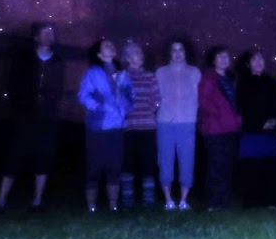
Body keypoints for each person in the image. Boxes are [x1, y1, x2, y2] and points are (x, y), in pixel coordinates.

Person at [0, 22, 64, 213]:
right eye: (45, 33)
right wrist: (18, 106)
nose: (50, 36)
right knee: (15, 156)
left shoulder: (57, 60)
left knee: (44, 157)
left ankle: (37, 202)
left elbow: (59, 87)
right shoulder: (23, 59)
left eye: (52, 32)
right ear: (36, 37)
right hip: (25, 115)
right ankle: (1, 201)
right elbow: (13, 84)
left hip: (48, 117)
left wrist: (53, 106)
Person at [77, 38, 134, 212]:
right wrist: (99, 107)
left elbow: (131, 94)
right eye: (106, 45)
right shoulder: (93, 73)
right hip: (98, 127)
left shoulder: (122, 73)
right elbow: (83, 95)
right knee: (94, 167)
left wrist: (125, 109)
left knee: (115, 167)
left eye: (112, 44)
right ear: (99, 54)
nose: (111, 46)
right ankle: (92, 207)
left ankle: (113, 206)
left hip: (117, 127)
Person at [236, 49, 276, 208]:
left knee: (270, 167)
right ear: (248, 64)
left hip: (270, 132)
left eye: (260, 59)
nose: (258, 62)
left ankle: (272, 201)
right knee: (251, 168)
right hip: (250, 133)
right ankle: (252, 202)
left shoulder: (272, 82)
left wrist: (275, 121)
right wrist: (258, 124)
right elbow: (241, 108)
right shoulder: (242, 83)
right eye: (254, 59)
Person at [155, 38, 201, 210]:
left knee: (187, 160)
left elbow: (199, 97)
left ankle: (183, 200)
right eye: (174, 49)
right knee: (165, 159)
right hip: (165, 122)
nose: (177, 53)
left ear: (185, 51)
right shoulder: (160, 72)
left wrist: (194, 114)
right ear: (169, 53)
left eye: (180, 49)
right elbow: (155, 96)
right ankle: (168, 200)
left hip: (187, 122)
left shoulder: (194, 72)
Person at [198, 45, 242, 210]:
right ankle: (213, 203)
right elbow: (204, 101)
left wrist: (237, 119)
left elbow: (235, 103)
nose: (224, 59)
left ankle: (223, 202)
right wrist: (221, 116)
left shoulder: (231, 78)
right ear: (213, 60)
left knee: (227, 166)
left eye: (226, 56)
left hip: (231, 129)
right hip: (214, 129)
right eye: (220, 56)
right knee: (216, 166)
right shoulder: (209, 77)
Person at [121, 40, 160, 208]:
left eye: (141, 53)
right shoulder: (122, 76)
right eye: (137, 53)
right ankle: (127, 200)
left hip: (148, 127)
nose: (141, 55)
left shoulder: (150, 76)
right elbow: (119, 101)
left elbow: (156, 99)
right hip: (128, 128)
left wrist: (151, 109)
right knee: (127, 164)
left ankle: (148, 201)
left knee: (148, 164)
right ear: (128, 57)